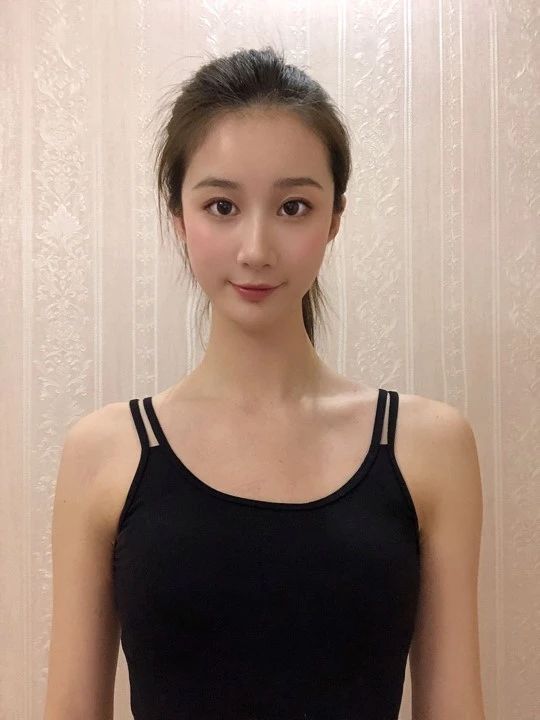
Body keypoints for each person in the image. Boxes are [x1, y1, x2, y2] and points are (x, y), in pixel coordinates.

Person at [44, 46, 486, 719]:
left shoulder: (430, 447)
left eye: (293, 207)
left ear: (334, 218)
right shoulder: (103, 452)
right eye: (222, 206)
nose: (256, 249)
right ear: (179, 219)